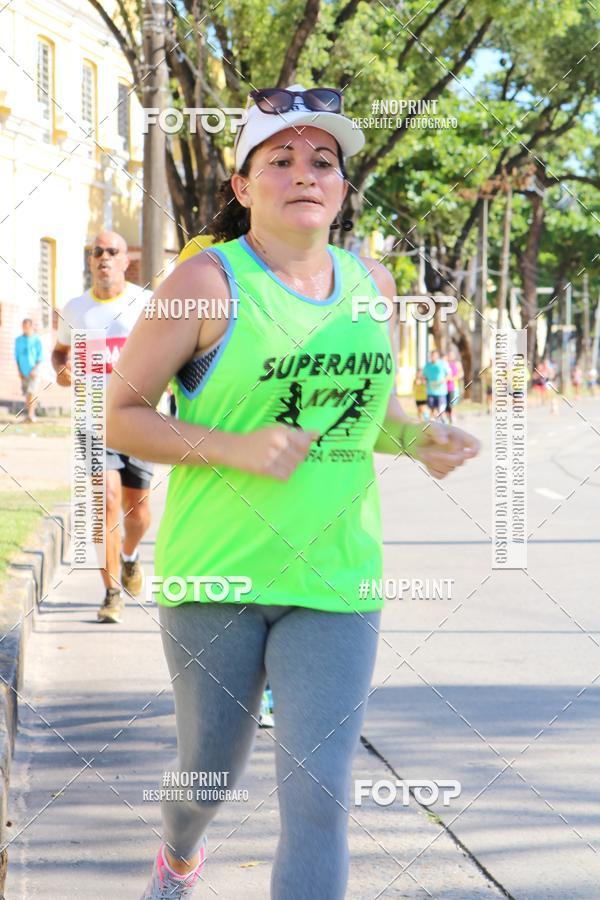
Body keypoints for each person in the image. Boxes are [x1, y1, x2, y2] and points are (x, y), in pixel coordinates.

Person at [106, 83, 480, 899]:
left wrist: (420, 439)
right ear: (243, 186)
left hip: (336, 576)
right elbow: (123, 419)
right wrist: (234, 447)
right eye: (281, 159)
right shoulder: (203, 282)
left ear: (343, 187)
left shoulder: (370, 283)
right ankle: (177, 857)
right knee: (207, 770)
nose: (305, 172)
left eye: (324, 161)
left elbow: (370, 410)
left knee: (319, 796)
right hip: (217, 575)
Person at [52, 231, 154, 624]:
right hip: (94, 416)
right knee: (106, 501)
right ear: (90, 261)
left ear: (126, 261)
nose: (104, 258)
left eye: (113, 251)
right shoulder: (76, 309)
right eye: (97, 252)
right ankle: (112, 592)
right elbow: (61, 351)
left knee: (138, 511)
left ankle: (130, 556)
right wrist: (62, 372)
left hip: (140, 416)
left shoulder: (145, 303)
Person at [14, 318, 43, 422]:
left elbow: (40, 357)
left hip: (34, 371)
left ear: (31, 327)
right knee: (27, 393)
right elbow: (16, 357)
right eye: (23, 326)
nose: (25, 328)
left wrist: (34, 369)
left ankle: (31, 414)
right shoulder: (18, 340)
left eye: (27, 326)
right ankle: (28, 415)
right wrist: (19, 371)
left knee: (32, 392)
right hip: (23, 371)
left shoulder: (36, 340)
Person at [423, 348, 450, 422]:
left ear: (437, 356)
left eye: (434, 355)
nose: (433, 357)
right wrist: (424, 381)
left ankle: (445, 423)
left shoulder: (443, 364)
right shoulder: (427, 366)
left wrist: (443, 380)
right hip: (430, 391)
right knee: (432, 410)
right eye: (431, 356)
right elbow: (424, 376)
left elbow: (449, 375)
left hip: (441, 391)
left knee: (441, 411)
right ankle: (435, 426)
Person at [444, 350, 463, 424]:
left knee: (452, 404)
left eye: (452, 355)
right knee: (446, 406)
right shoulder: (444, 364)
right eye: (449, 355)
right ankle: (448, 420)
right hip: (444, 388)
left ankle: (452, 419)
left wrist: (452, 378)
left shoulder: (457, 364)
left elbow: (461, 374)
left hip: (454, 387)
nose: (450, 357)